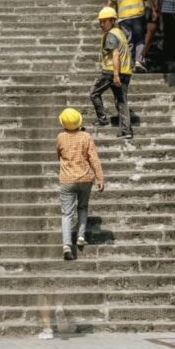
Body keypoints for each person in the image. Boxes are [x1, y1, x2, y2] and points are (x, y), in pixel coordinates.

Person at [55, 108, 103, 261]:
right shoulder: (86, 136)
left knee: (66, 213)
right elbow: (93, 158)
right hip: (85, 178)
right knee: (83, 207)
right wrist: (100, 178)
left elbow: (58, 155)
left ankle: (66, 245)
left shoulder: (60, 137)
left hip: (67, 179)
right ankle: (81, 236)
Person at [90, 7, 133, 140]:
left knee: (94, 93)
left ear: (112, 21)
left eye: (105, 21)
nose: (102, 24)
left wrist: (115, 75)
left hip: (111, 72)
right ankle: (126, 131)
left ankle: (102, 119)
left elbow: (115, 54)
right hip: (126, 72)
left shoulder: (111, 35)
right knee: (121, 101)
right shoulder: (120, 33)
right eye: (100, 21)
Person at [107, 0, 149, 73]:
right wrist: (154, 9)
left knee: (128, 41)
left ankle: (129, 64)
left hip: (123, 17)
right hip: (138, 14)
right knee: (139, 39)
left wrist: (107, 15)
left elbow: (111, 1)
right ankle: (139, 61)